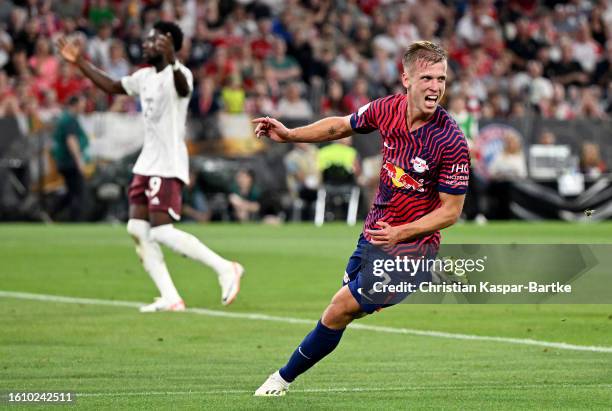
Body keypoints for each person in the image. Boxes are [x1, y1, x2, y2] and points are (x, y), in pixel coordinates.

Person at [252, 41, 469, 396]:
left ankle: (280, 380)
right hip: (373, 236)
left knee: (339, 309)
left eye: (441, 78)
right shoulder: (387, 109)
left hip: (411, 252)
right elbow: (341, 126)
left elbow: (451, 211)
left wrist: (402, 233)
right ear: (406, 79)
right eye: (427, 77)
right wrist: (291, 135)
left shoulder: (450, 140)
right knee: (344, 307)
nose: (435, 87)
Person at [56, 21, 244, 312]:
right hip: (147, 162)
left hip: (168, 163)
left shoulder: (181, 74)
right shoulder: (143, 76)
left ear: (168, 44)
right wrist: (80, 62)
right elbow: (111, 85)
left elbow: (182, 89)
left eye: (153, 40)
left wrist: (171, 59)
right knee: (136, 228)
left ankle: (225, 268)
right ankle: (170, 297)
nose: (146, 44)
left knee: (161, 231)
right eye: (146, 40)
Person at [51, 95, 89, 221]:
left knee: (71, 191)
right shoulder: (69, 120)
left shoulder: (66, 118)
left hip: (64, 161)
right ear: (75, 104)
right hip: (69, 162)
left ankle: (52, 212)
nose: (84, 106)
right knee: (78, 192)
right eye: (82, 103)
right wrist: (79, 162)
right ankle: (75, 219)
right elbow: (71, 141)